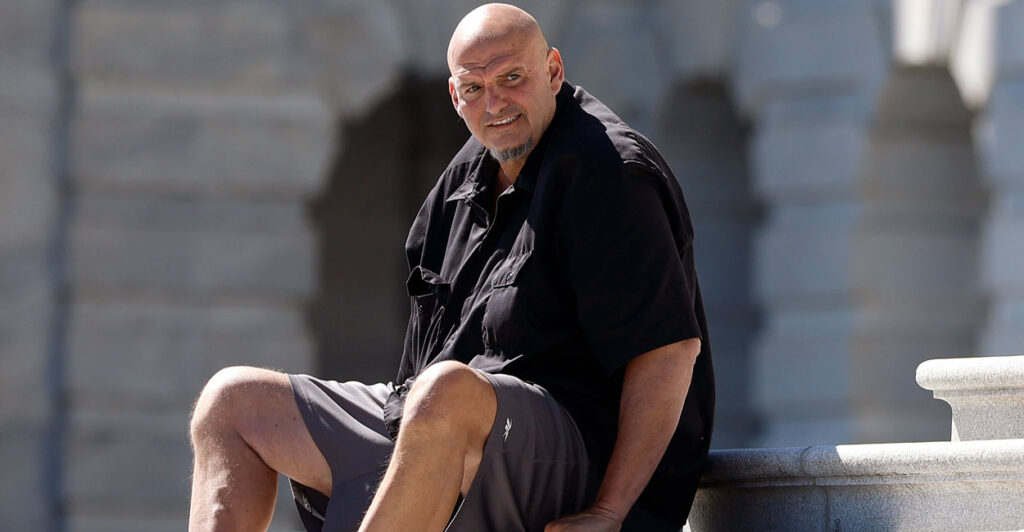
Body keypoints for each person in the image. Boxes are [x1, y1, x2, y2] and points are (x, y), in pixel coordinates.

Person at [187, 3, 714, 531]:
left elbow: (668, 354)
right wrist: (399, 459)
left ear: (553, 70)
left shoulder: (609, 174)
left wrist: (609, 511)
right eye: (475, 88)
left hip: (578, 456)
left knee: (445, 392)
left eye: (512, 77)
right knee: (233, 401)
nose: (496, 103)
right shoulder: (462, 180)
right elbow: (421, 361)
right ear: (454, 95)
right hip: (443, 427)